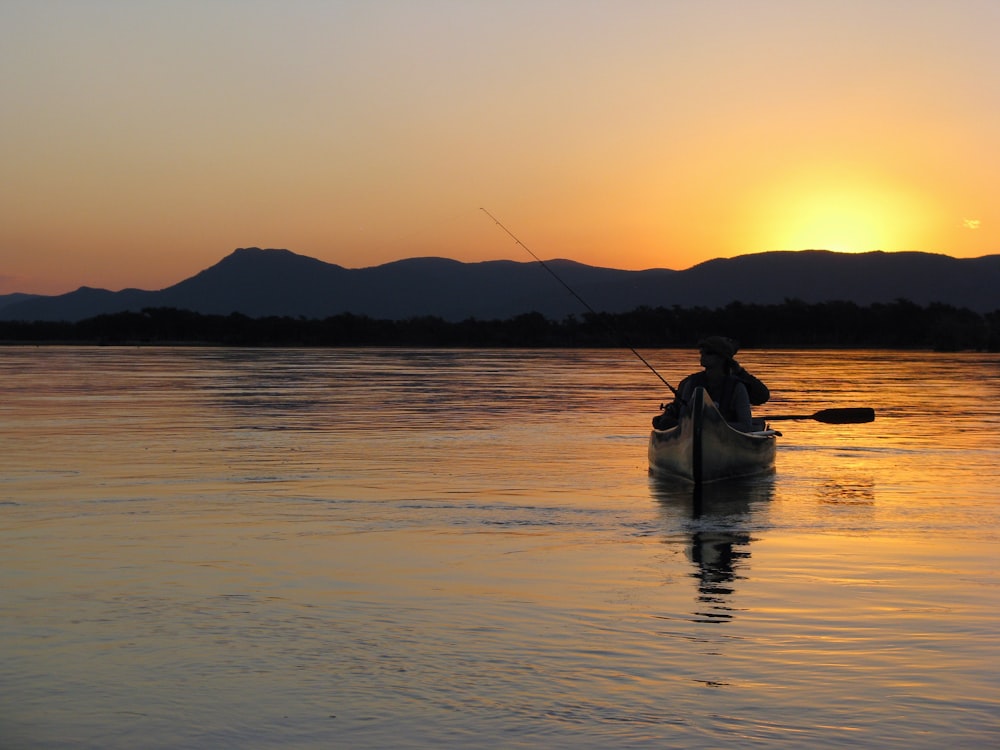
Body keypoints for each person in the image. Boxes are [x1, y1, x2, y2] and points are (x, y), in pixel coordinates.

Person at [652, 336, 769, 433]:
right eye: (701, 352)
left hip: (728, 436)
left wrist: (708, 426)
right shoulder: (690, 383)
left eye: (709, 353)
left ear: (722, 358)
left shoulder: (737, 387)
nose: (703, 355)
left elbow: (746, 426)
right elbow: (683, 418)